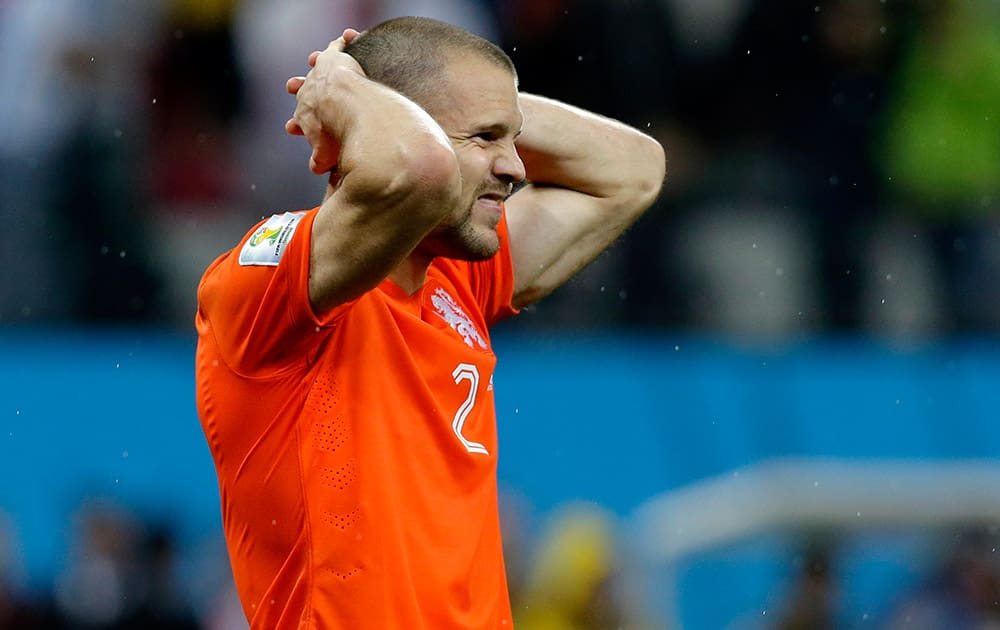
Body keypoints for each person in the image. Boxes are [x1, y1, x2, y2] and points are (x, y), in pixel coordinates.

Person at [194, 16, 665, 629]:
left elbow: (633, 169)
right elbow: (420, 170)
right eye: (487, 139)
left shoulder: (459, 282)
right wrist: (343, 87)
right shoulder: (267, 287)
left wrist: (472, 104)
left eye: (513, 140)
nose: (517, 168)